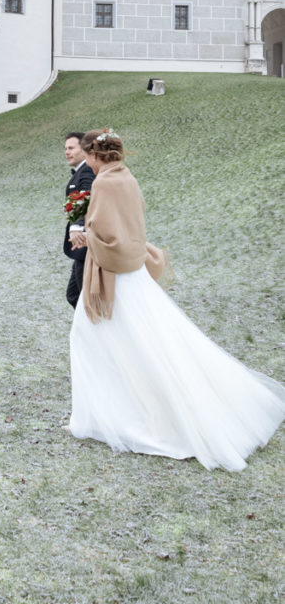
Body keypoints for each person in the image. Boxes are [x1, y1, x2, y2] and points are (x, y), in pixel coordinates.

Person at [67, 128, 285, 471]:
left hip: (117, 280)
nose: (86, 161)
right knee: (137, 341)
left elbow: (108, 235)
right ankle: (107, 414)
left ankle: (126, 417)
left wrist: (84, 236)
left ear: (95, 155)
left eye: (87, 155)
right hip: (132, 274)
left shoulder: (104, 183)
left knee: (108, 341)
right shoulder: (126, 176)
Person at [63, 132, 95, 308]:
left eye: (71, 148)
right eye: (65, 148)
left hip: (84, 243)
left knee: (82, 297)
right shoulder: (80, 172)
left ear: (84, 150)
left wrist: (76, 226)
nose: (67, 152)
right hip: (80, 247)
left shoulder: (88, 171)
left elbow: (88, 197)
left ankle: (92, 333)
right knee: (74, 295)